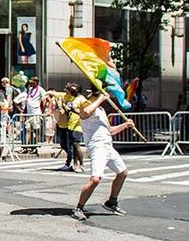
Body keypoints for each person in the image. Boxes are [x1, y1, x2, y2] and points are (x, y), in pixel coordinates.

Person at [71, 93, 133, 221]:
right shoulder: (86, 107)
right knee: (96, 179)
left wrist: (125, 125)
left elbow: (109, 130)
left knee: (122, 173)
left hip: (108, 146)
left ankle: (111, 202)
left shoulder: (101, 110)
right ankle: (79, 207)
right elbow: (85, 112)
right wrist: (101, 98)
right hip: (97, 146)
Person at [48, 83, 86, 172]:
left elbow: (85, 111)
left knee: (76, 145)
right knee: (72, 144)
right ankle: (74, 164)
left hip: (77, 125)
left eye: (71, 90)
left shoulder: (81, 99)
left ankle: (81, 164)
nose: (68, 91)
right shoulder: (71, 98)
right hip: (70, 124)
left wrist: (74, 111)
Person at [21, 76, 46, 149]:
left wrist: (44, 107)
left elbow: (45, 96)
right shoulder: (30, 89)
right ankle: (25, 146)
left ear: (36, 82)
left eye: (32, 82)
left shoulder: (40, 89)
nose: (31, 83)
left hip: (36, 113)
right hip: (29, 113)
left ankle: (36, 145)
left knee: (36, 129)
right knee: (27, 129)